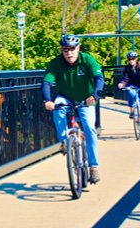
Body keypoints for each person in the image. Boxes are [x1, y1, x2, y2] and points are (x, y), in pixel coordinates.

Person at [42, 34, 105, 183]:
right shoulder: (55, 63)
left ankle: (94, 167)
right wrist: (47, 100)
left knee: (89, 128)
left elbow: (99, 79)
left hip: (86, 99)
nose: (69, 53)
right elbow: (46, 83)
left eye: (72, 49)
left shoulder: (88, 60)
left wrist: (94, 96)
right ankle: (64, 141)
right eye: (65, 50)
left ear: (78, 48)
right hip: (66, 96)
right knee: (58, 107)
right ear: (61, 50)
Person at [117, 50, 140, 131]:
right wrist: (122, 83)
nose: (131, 60)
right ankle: (132, 112)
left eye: (133, 59)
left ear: (136, 59)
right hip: (133, 85)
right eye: (129, 59)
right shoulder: (127, 68)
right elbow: (125, 78)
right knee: (130, 93)